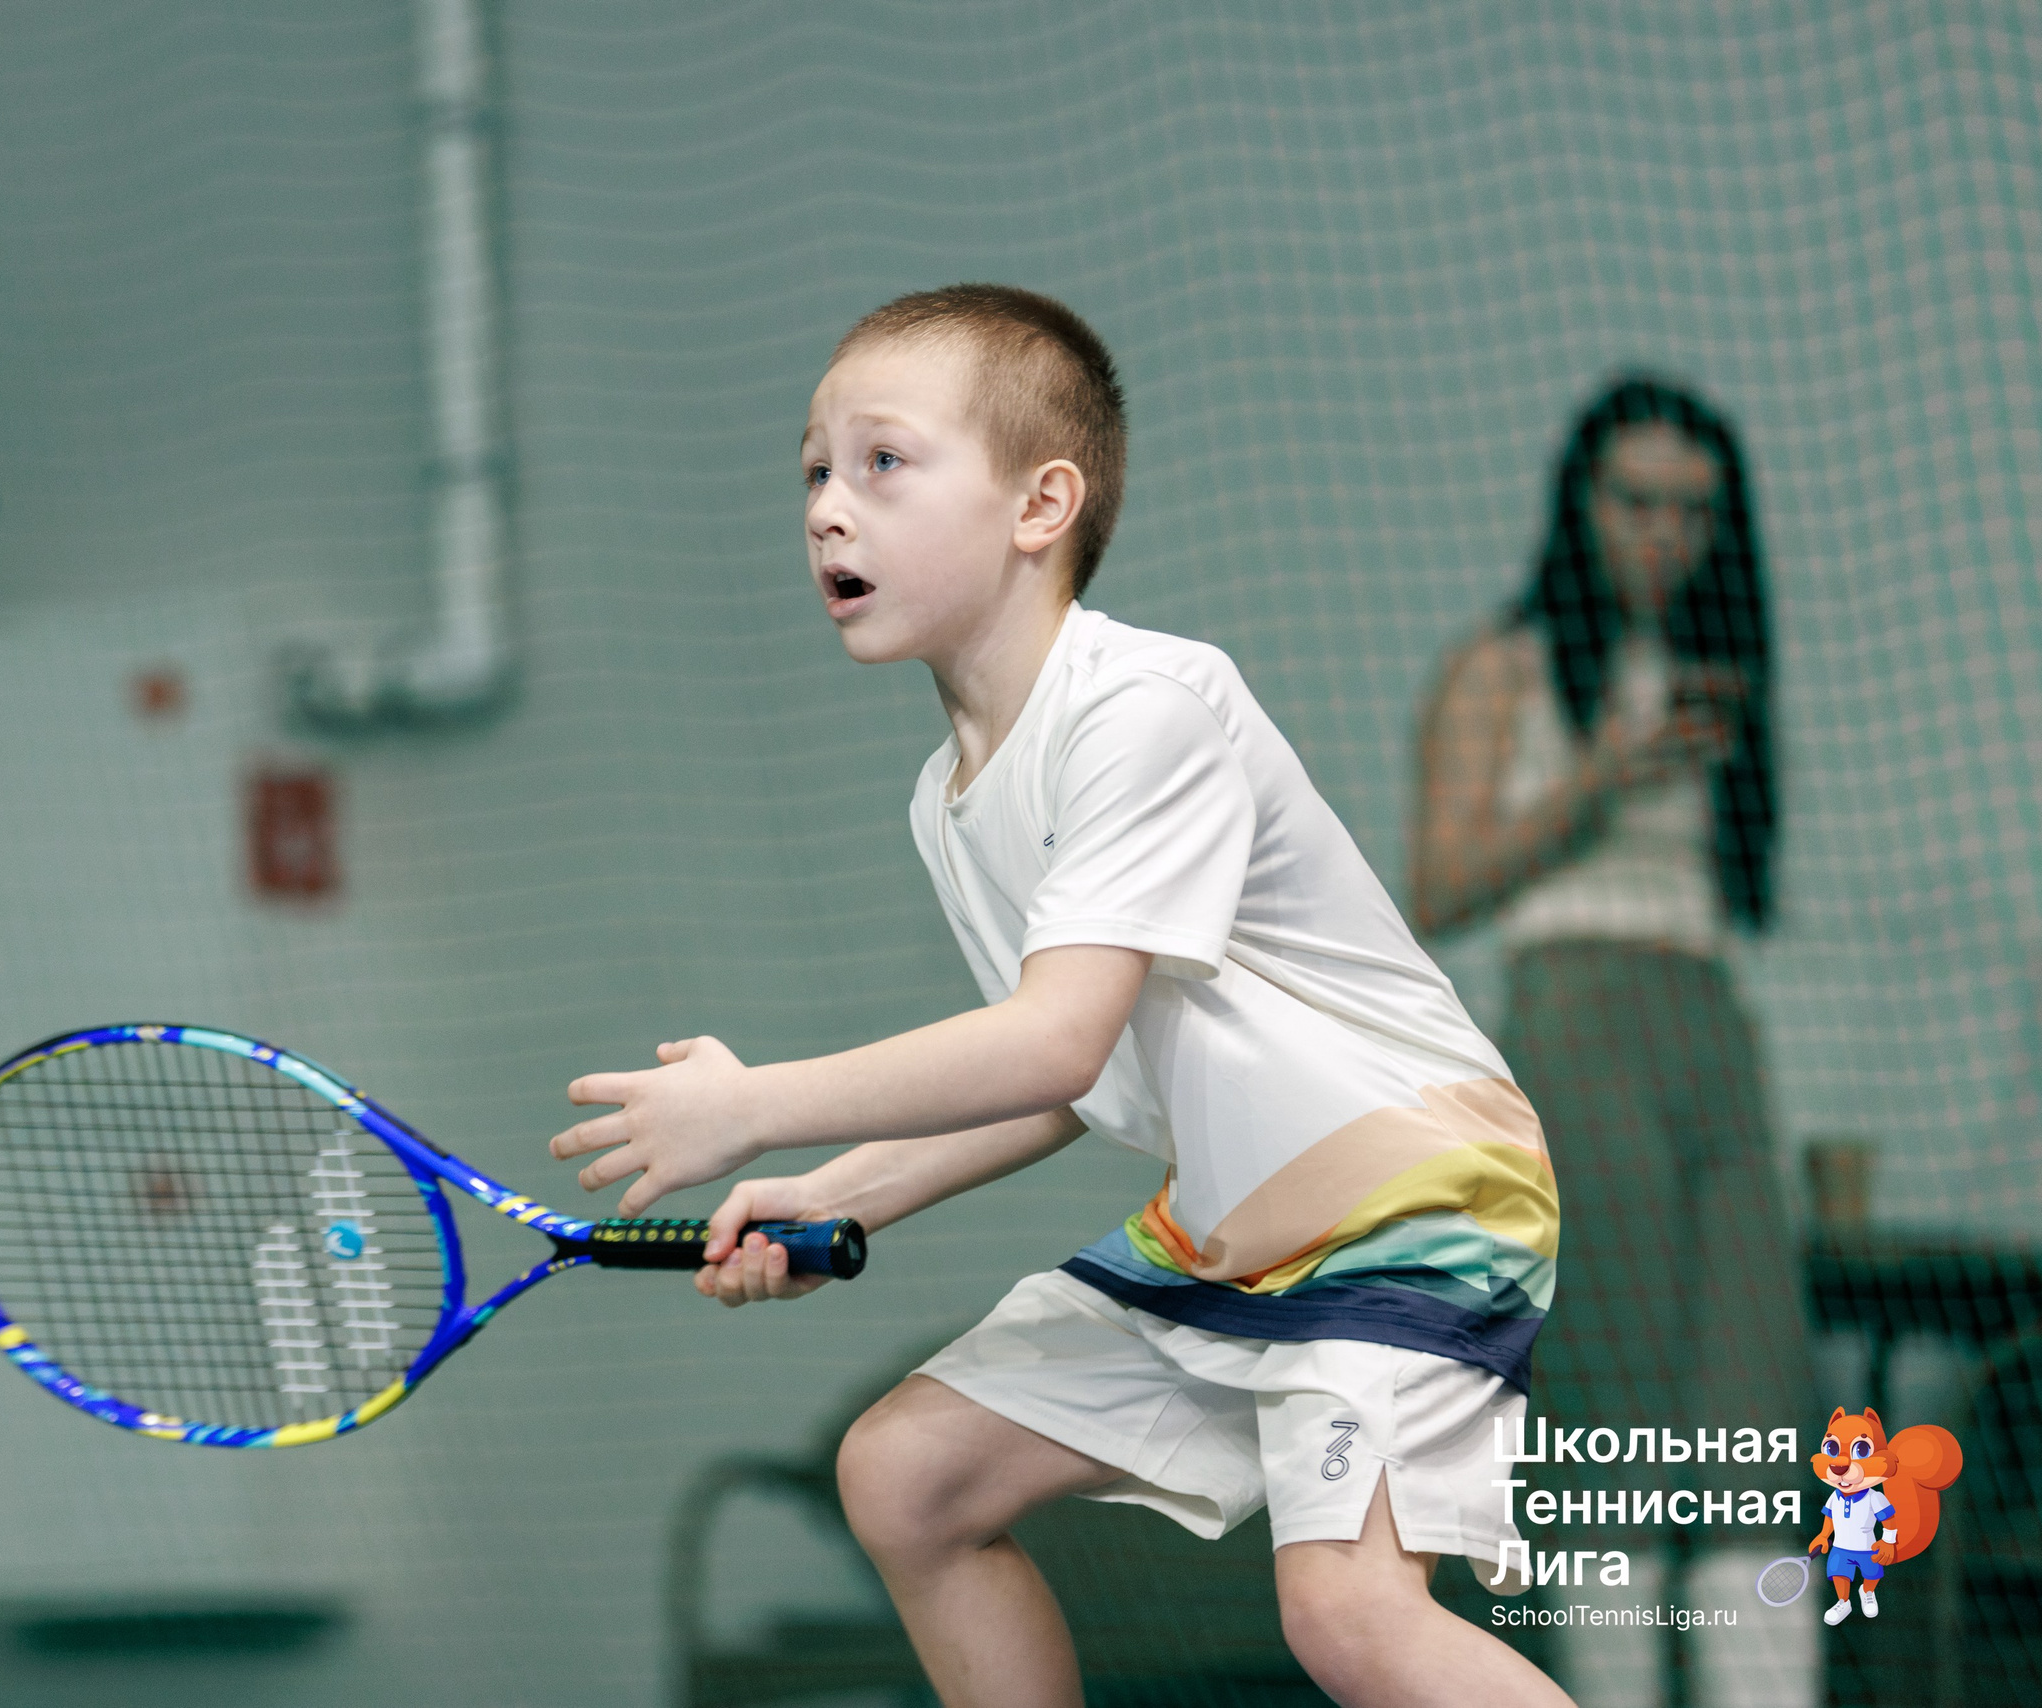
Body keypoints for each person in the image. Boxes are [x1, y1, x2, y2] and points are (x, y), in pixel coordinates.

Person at [551, 284, 1570, 1708]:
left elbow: (1051, 1036)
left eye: (884, 463)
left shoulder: (1147, 708)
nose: (829, 511)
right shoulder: (949, 799)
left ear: (1043, 505)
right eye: (815, 471)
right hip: (1233, 1230)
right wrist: (841, 1196)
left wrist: (754, 1111)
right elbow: (1060, 1087)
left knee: (1350, 1618)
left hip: (1414, 1199)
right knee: (908, 1475)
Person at [1409, 377, 1814, 1707]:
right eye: (1636, 501)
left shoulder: (1720, 675)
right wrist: (1599, 780)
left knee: (1758, 1423)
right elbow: (1438, 885)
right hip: (1575, 1023)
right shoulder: (1506, 664)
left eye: (1694, 512)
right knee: (1609, 1427)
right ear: (1581, 504)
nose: (1663, 534)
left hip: (1710, 1022)